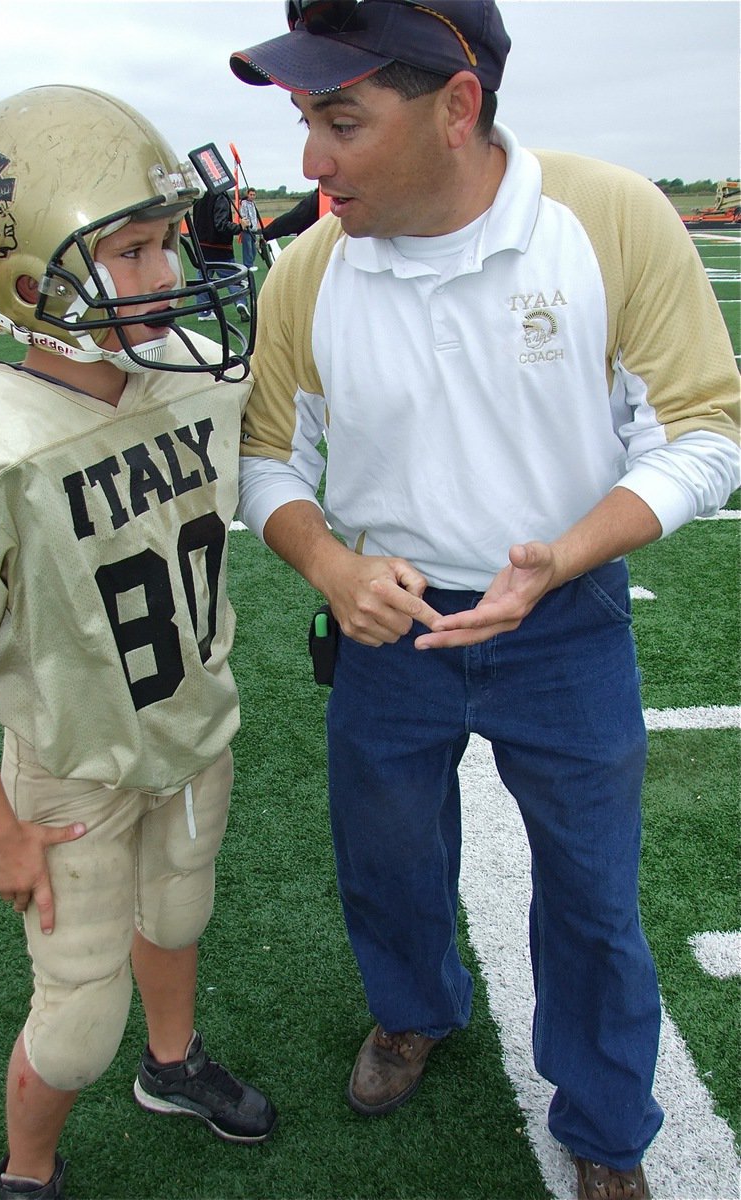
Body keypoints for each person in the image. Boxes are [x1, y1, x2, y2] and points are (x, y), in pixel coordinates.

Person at [229, 4, 740, 1199]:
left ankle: (609, 1127)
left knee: (591, 894)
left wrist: (563, 556)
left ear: (458, 107)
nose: (310, 161)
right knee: (388, 857)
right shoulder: (308, 268)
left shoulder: (606, 218)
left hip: (563, 622)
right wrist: (330, 567)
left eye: (341, 120)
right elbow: (264, 461)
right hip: (383, 623)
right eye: (308, 120)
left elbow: (705, 434)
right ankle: (411, 1010)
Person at [0, 84, 273, 1200]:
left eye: (165, 238)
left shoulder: (187, 370)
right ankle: (28, 1171)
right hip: (72, 755)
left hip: (187, 717)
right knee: (77, 1016)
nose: (169, 272)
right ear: (30, 282)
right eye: (129, 250)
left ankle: (173, 1066)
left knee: (181, 907)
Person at [189, 188, 251, 321]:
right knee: (233, 278)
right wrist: (240, 227)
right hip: (220, 247)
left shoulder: (199, 197)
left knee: (203, 280)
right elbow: (221, 225)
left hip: (201, 246)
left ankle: (204, 312)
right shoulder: (220, 197)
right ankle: (240, 302)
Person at [239, 187, 262, 269]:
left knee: (253, 248)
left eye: (254, 195)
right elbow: (243, 215)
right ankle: (248, 265)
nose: (252, 196)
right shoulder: (244, 204)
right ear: (247, 195)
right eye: (251, 194)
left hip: (254, 230)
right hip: (247, 230)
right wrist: (248, 225)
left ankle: (251, 263)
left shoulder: (253, 204)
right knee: (247, 248)